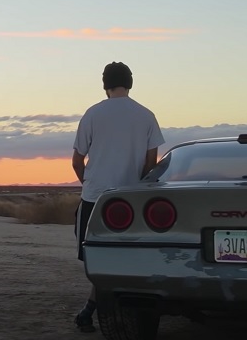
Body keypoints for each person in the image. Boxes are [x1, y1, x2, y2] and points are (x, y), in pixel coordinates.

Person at [70, 62, 165, 332]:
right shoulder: (146, 115)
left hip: (95, 198)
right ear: (130, 82)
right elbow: (151, 164)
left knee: (96, 259)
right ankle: (92, 310)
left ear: (104, 83)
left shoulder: (92, 114)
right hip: (131, 200)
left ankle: (90, 310)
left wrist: (89, 184)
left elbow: (77, 161)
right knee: (128, 257)